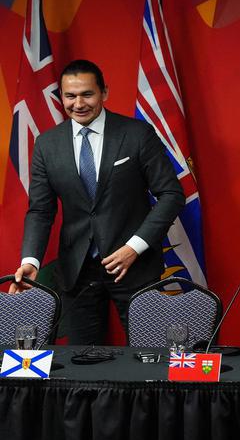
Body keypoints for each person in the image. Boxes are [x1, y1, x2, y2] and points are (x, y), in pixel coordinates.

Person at [10, 59, 184, 344]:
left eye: (87, 94)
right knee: (84, 364)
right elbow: (41, 210)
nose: (78, 103)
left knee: (151, 360)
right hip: (77, 273)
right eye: (70, 96)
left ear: (104, 92)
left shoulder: (137, 134)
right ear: (62, 97)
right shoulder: (47, 144)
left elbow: (171, 195)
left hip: (135, 266)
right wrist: (31, 260)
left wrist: (134, 247)